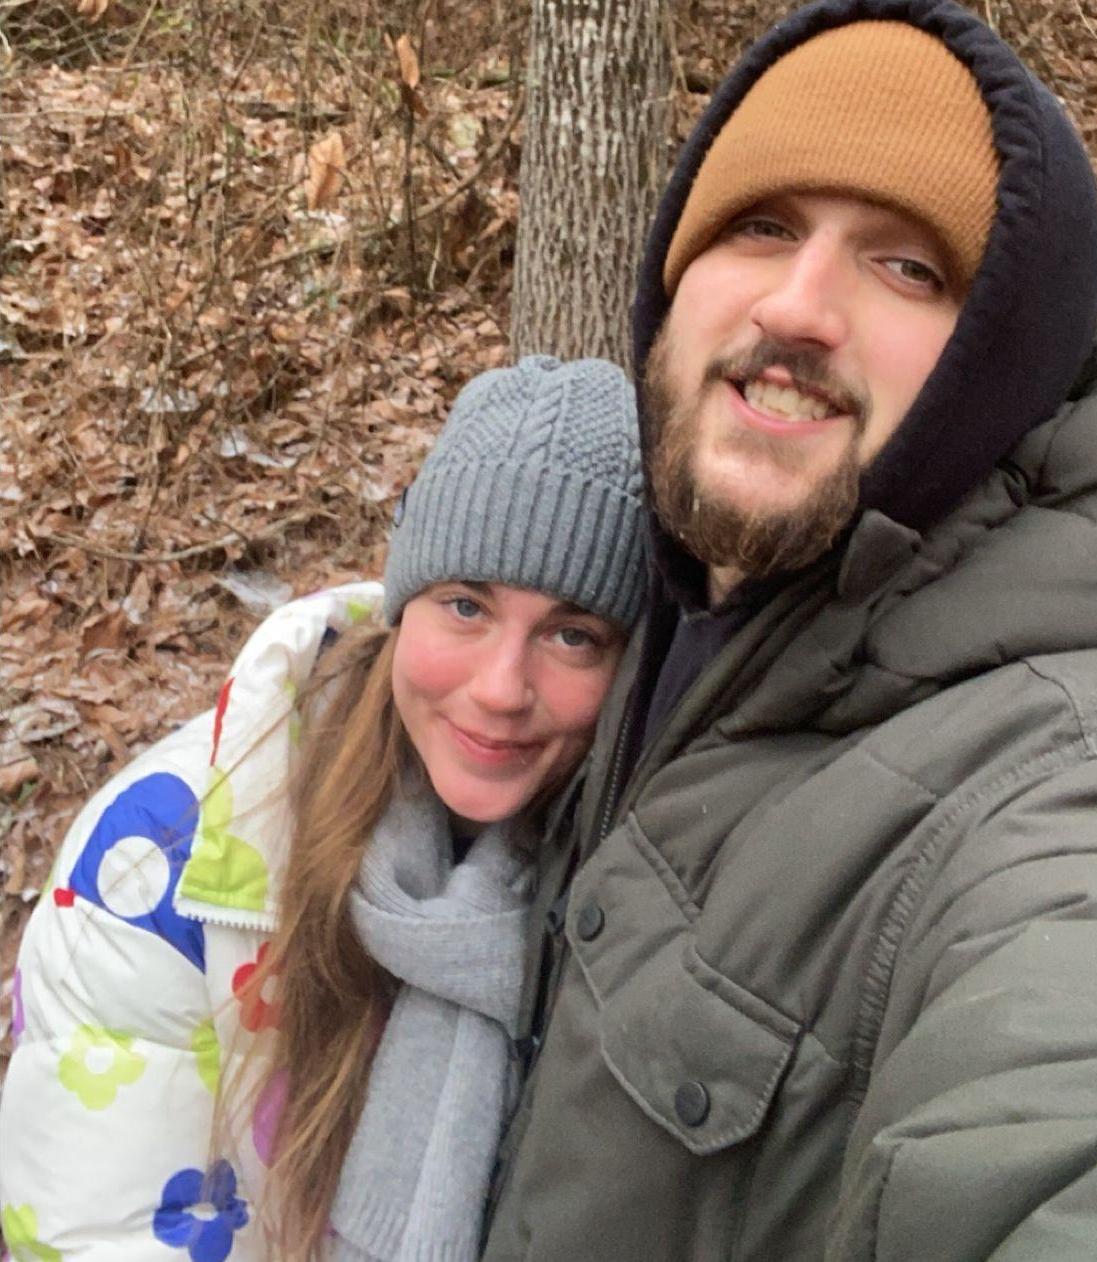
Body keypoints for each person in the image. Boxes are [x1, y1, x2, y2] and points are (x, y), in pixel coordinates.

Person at [480, 3, 1097, 1260]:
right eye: (760, 225)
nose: (798, 305)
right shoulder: (678, 595)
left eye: (906, 267)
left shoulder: (1076, 780)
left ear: (995, 371)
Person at [0, 355, 647, 1261]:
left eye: (573, 635)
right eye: (465, 606)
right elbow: (88, 1230)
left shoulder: (641, 869)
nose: (502, 689)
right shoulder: (160, 860)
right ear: (400, 609)